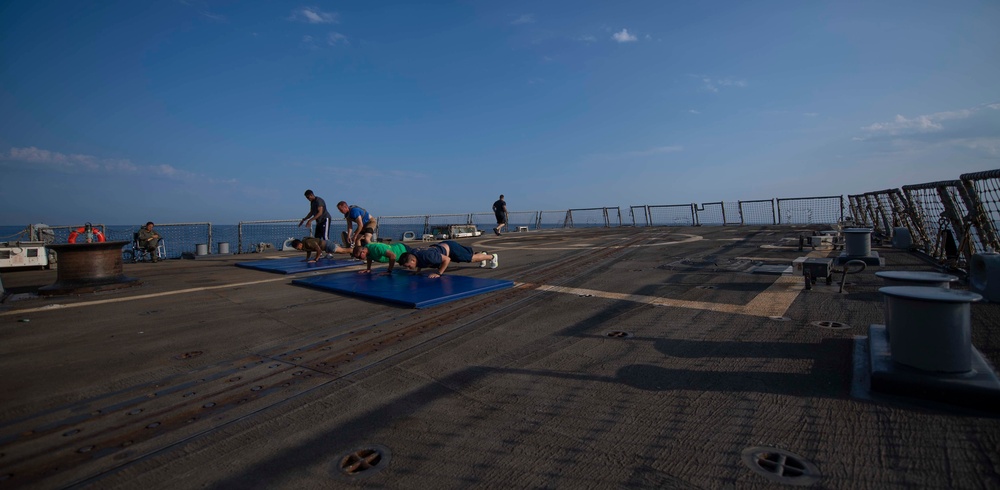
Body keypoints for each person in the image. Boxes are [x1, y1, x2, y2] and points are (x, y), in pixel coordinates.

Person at [397, 240, 497, 278]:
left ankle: (492, 257)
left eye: (408, 266)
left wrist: (439, 273)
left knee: (471, 259)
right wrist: (418, 271)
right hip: (441, 247)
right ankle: (483, 255)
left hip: (451, 249)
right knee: (472, 257)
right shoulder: (413, 254)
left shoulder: (429, 257)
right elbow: (419, 262)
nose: (409, 268)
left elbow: (447, 259)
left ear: (412, 261)